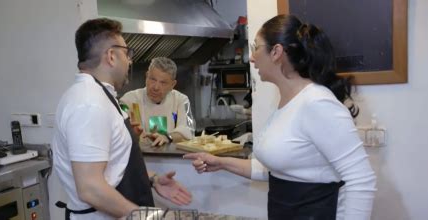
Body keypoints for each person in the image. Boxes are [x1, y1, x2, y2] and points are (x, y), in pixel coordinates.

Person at [184, 14, 376, 220]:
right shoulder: (288, 103)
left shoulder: (317, 103)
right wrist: (221, 162)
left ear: (276, 52)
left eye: (256, 47)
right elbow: (278, 169)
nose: (252, 57)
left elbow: (361, 180)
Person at [51, 18, 192, 220]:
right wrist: (146, 217)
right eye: (127, 54)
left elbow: (111, 169)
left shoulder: (99, 96)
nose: (130, 61)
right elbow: (90, 187)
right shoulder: (89, 103)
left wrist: (152, 179)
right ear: (111, 56)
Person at [120, 57, 195, 146]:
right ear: (147, 76)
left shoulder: (182, 100)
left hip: (170, 157)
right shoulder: (128, 100)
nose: (156, 87)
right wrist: (132, 134)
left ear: (172, 85)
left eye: (163, 83)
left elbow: (189, 130)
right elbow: (116, 132)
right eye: (152, 79)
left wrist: (167, 137)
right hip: (139, 156)